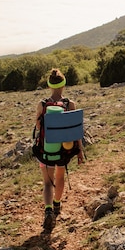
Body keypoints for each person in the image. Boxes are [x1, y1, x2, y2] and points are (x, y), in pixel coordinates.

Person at [36, 68, 84, 233]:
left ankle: (48, 209)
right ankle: (57, 203)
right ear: (64, 84)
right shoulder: (69, 104)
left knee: (48, 182)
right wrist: (80, 151)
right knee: (60, 176)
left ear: (49, 85)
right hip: (63, 149)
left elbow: (38, 126)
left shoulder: (42, 104)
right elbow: (76, 131)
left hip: (46, 149)